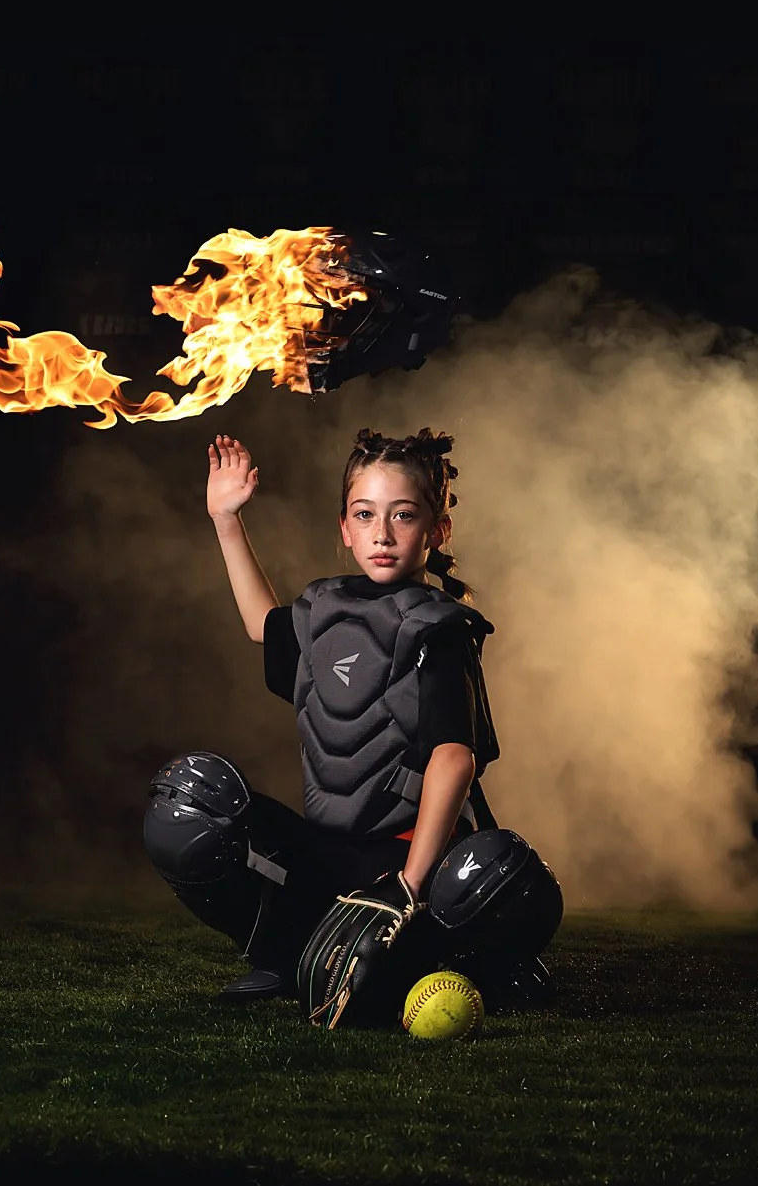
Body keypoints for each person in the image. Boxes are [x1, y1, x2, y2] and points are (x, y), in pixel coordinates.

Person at [143, 426, 542, 1009]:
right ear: (345, 528)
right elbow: (264, 627)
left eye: (403, 515)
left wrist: (407, 886)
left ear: (438, 527)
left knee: (505, 867)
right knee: (188, 800)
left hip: (408, 867)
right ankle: (286, 956)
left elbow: (454, 758)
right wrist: (227, 520)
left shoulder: (441, 629)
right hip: (329, 858)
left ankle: (483, 963)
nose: (382, 533)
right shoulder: (322, 609)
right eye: (364, 514)